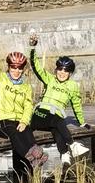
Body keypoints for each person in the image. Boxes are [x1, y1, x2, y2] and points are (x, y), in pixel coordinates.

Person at [0, 35, 45, 173]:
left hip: (20, 121)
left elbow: (28, 106)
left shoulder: (26, 86)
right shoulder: (1, 79)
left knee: (27, 133)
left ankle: (31, 165)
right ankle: (32, 158)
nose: (16, 71)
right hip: (4, 122)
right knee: (15, 134)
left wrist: (24, 121)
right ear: (9, 67)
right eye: (13, 68)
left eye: (19, 69)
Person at [29, 38, 90, 166]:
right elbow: (36, 67)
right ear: (56, 70)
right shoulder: (49, 79)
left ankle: (64, 154)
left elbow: (76, 104)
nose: (62, 72)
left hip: (53, 120)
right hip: (39, 116)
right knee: (58, 120)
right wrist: (33, 48)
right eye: (60, 69)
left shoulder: (72, 86)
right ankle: (72, 144)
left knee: (57, 128)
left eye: (65, 70)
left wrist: (82, 122)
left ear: (70, 73)